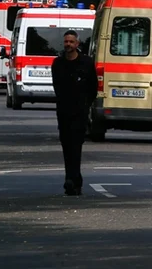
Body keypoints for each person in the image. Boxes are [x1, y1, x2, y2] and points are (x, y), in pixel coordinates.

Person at [51, 30, 97, 196]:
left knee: (76, 146)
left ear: (77, 44)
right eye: (66, 42)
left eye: (71, 42)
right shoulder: (58, 63)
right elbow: (57, 87)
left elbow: (93, 87)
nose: (68, 45)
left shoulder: (86, 62)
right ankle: (71, 178)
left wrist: (85, 105)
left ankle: (73, 180)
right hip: (64, 111)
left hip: (80, 112)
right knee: (66, 146)